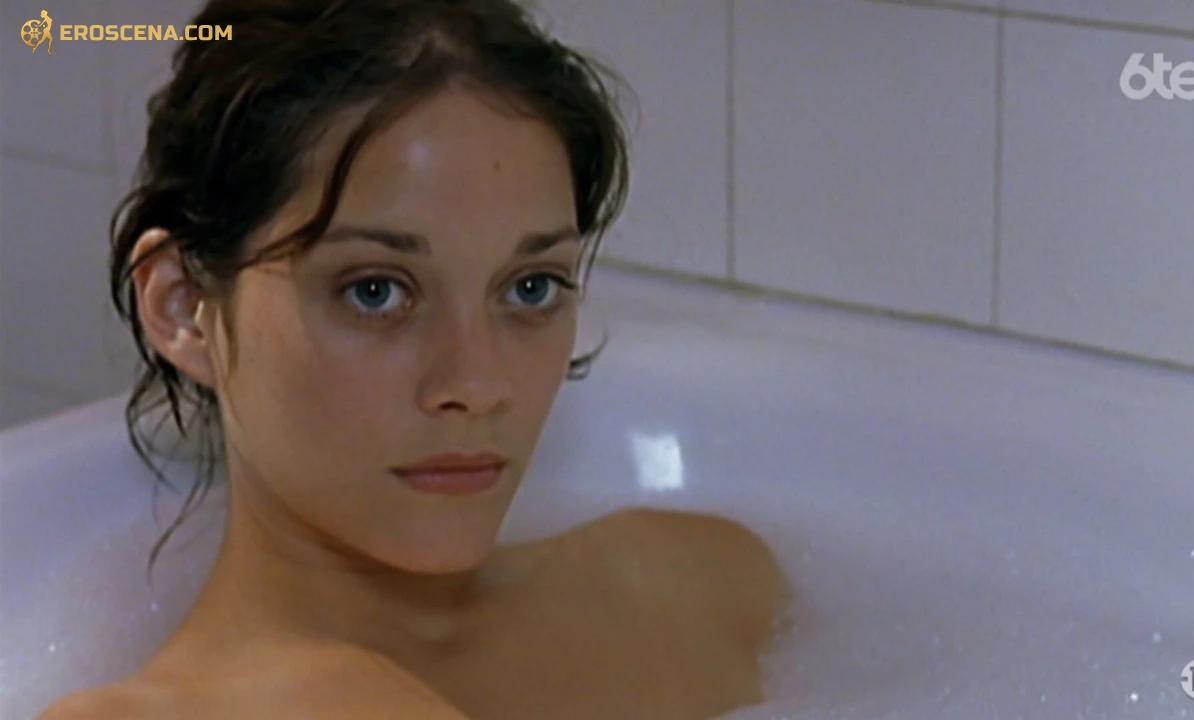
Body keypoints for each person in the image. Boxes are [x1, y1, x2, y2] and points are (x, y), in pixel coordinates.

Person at [38, 1, 792, 718]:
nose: (477, 383)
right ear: (183, 307)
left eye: (530, 287)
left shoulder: (706, 585)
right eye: (375, 292)